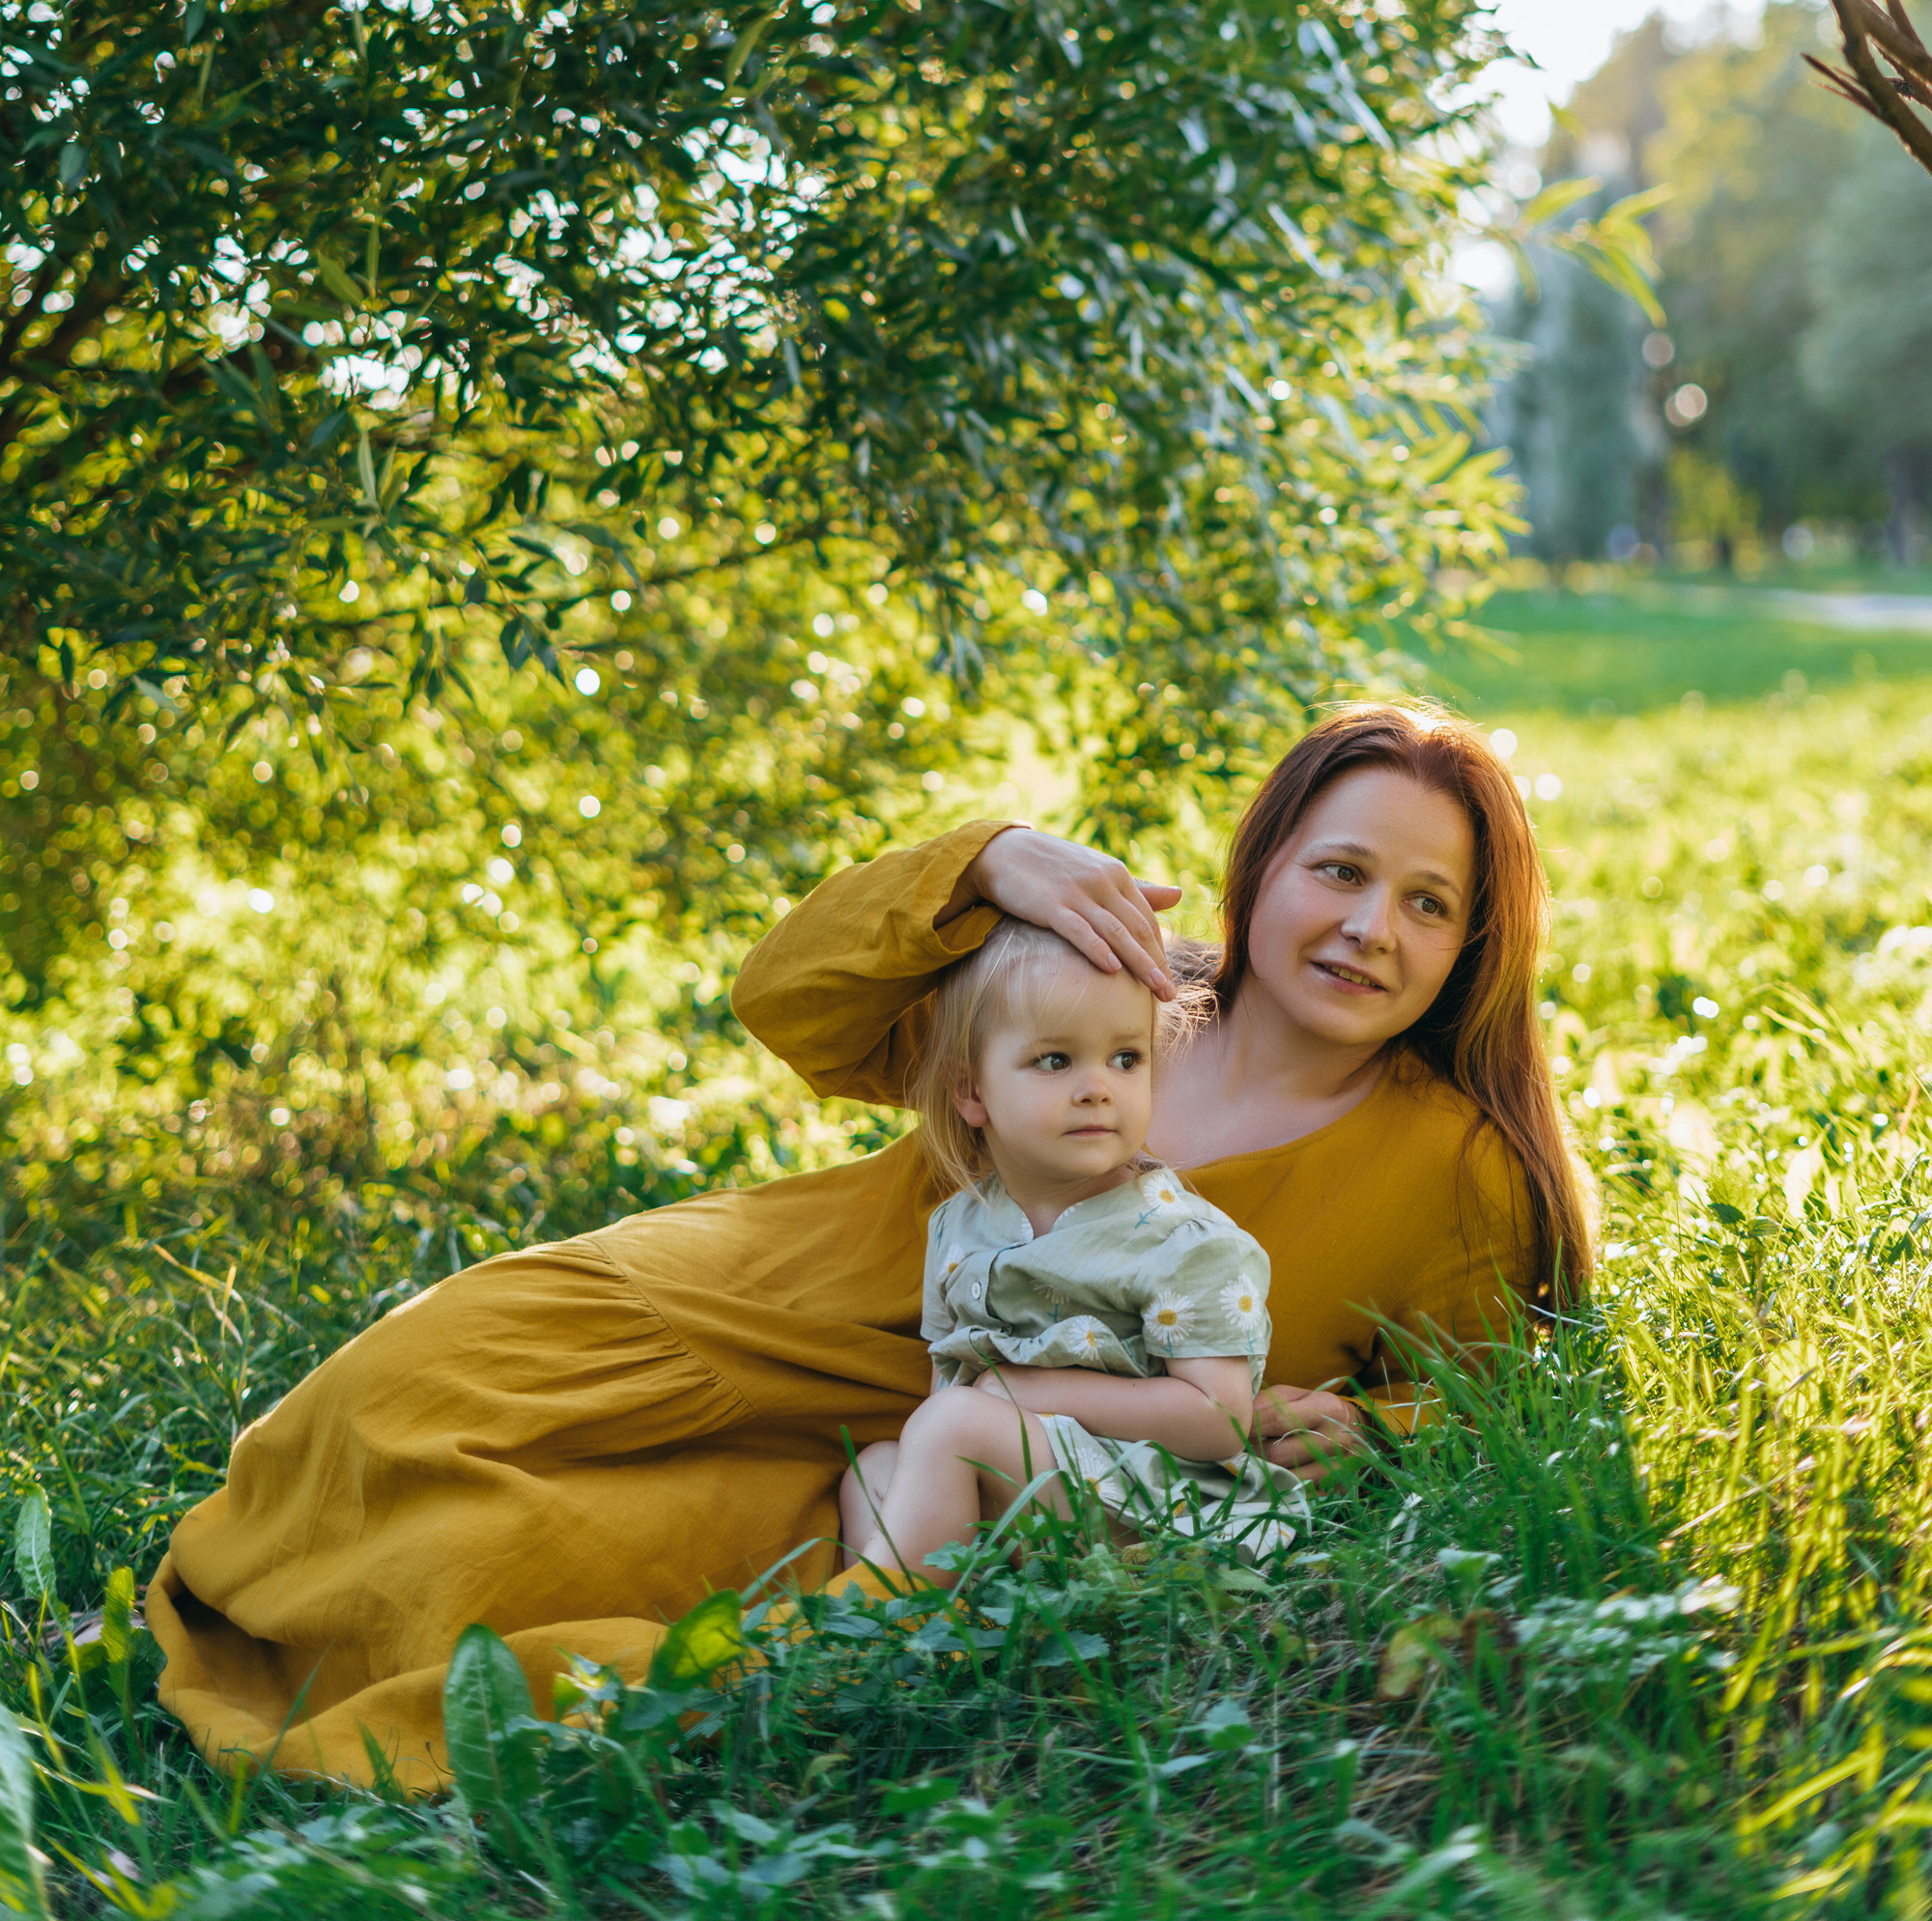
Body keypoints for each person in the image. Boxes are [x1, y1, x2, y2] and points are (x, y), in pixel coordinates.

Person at [148, 701, 1591, 1790]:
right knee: (409, 1387)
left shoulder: (1449, 1164)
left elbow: (1498, 1398)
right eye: (1339, 871)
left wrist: (1372, 1430)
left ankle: (343, 1657)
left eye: (1427, 904)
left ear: (1471, 948)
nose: (1367, 929)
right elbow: (789, 998)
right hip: (775, 1291)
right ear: (1265, 866)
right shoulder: (1110, 983)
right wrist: (990, 865)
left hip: (922, 1445)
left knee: (538, 1567)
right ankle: (262, 1566)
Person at [844, 917, 1286, 1579]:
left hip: (1154, 1509)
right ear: (971, 1091)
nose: (1097, 1086)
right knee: (872, 1466)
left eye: (1126, 1059)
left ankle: (854, 1636)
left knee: (949, 1430)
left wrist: (1026, 1391)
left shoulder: (1185, 1242)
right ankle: (940, 1619)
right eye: (1055, 1060)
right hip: (1022, 1472)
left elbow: (1219, 1420)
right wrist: (970, 1414)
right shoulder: (959, 1227)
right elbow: (947, 1378)